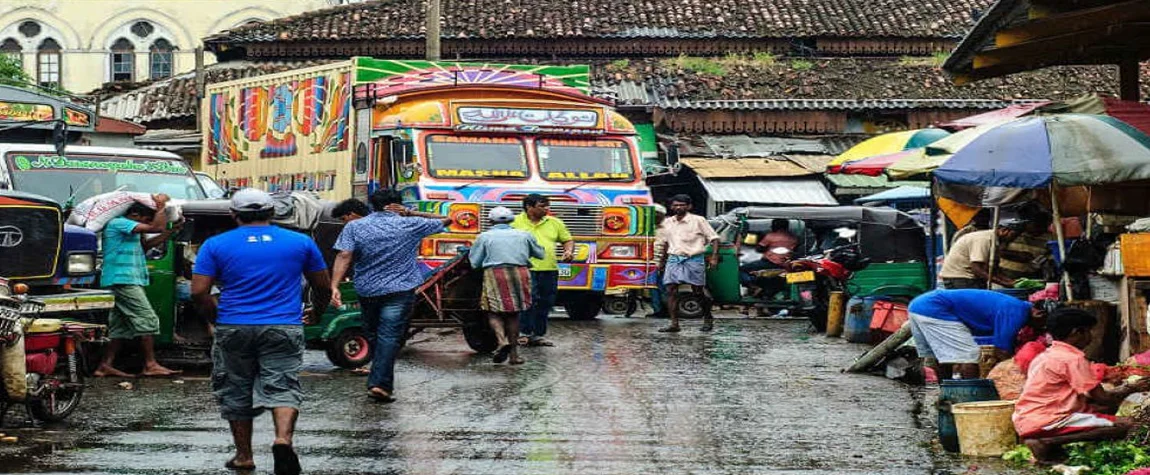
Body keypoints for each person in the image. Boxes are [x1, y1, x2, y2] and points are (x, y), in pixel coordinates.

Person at [191, 188, 333, 475]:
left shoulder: (215, 244)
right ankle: (283, 439)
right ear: (273, 213)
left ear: (234, 215)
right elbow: (321, 286)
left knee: (236, 387)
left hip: (234, 325)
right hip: (283, 325)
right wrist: (317, 312)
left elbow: (199, 292)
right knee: (282, 384)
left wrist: (215, 318)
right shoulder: (300, 242)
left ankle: (244, 456)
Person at [330, 188, 452, 402]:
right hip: (400, 289)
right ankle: (380, 384)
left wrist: (335, 286)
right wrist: (411, 213)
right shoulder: (410, 224)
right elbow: (448, 218)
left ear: (372, 205)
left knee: (373, 333)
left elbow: (344, 255)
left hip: (367, 289)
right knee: (388, 335)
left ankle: (379, 381)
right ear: (397, 204)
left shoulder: (355, 226)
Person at [1013, 308, 1150, 465]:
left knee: (1101, 412)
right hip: (1047, 420)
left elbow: (1091, 397)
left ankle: (1048, 445)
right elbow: (1104, 399)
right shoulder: (1073, 359)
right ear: (1077, 332)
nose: (1091, 337)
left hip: (1025, 418)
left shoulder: (1045, 355)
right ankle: (1048, 441)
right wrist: (1132, 387)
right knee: (1129, 424)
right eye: (1089, 332)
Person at [94, 197, 181, 378]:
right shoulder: (119, 223)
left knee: (120, 326)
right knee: (148, 320)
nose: (148, 223)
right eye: (146, 219)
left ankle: (104, 365)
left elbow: (146, 245)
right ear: (134, 214)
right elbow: (155, 227)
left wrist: (170, 233)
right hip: (122, 279)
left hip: (126, 279)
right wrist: (161, 208)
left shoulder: (130, 230)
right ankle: (150, 364)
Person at [469, 206, 545, 365]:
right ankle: (514, 355)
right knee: (514, 313)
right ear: (512, 220)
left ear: (490, 221)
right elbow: (540, 254)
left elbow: (475, 262)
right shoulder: (525, 235)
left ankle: (501, 341)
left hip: (495, 273)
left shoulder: (484, 237)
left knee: (492, 310)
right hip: (520, 272)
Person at [907, 289, 1040, 380]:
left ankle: (946, 392)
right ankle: (972, 397)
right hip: (934, 308)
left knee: (939, 357)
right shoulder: (1018, 312)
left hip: (918, 305)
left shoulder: (1015, 306)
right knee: (969, 355)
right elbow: (1002, 350)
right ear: (1038, 314)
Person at [512, 194, 574, 347]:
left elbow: (567, 239)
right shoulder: (514, 222)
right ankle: (523, 333)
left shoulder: (555, 222)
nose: (547, 209)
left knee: (546, 302)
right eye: (542, 206)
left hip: (549, 269)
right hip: (525, 268)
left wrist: (569, 251)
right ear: (529, 207)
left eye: (548, 205)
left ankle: (538, 335)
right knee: (528, 300)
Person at [657, 194, 720, 333]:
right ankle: (674, 324)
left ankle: (708, 317)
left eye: (682, 204)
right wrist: (662, 261)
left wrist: (714, 257)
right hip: (674, 258)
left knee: (698, 292)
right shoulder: (668, 222)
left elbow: (715, 239)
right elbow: (666, 243)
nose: (678, 207)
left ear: (689, 206)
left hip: (694, 258)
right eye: (675, 205)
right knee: (671, 291)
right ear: (671, 207)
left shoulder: (698, 220)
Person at [937, 220, 1026, 289]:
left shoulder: (996, 242)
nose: (1014, 238)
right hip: (960, 277)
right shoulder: (985, 239)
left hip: (968, 278)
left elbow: (993, 270)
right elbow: (976, 268)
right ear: (1004, 230)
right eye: (1014, 235)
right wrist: (1004, 283)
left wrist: (1010, 281)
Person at [739, 218, 798, 298]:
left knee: (740, 270)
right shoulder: (793, 238)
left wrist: (759, 241)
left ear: (774, 226)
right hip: (784, 264)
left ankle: (752, 286)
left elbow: (759, 249)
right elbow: (795, 250)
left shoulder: (770, 236)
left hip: (768, 262)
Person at [646, 204, 669, 319]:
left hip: (661, 262)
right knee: (653, 287)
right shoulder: (648, 227)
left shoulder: (667, 228)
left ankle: (664, 310)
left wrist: (663, 263)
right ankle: (658, 310)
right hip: (650, 262)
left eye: (657, 214)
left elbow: (667, 246)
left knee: (661, 288)